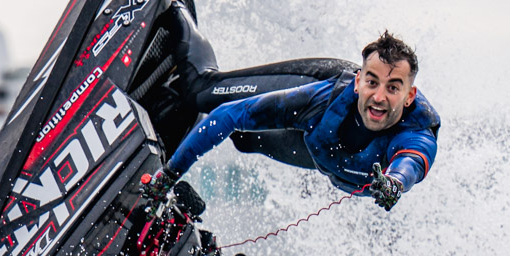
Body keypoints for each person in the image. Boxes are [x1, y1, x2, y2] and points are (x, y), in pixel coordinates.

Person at [145, 31, 440, 212]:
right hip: (316, 101)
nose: (378, 97)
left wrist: (394, 184)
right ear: (358, 82)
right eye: (372, 83)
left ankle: (168, 110)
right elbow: (230, 115)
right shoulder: (322, 99)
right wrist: (168, 177)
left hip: (318, 153)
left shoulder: (416, 135)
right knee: (204, 94)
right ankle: (170, 0)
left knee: (244, 141)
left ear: (409, 95)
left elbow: (410, 164)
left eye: (393, 88)